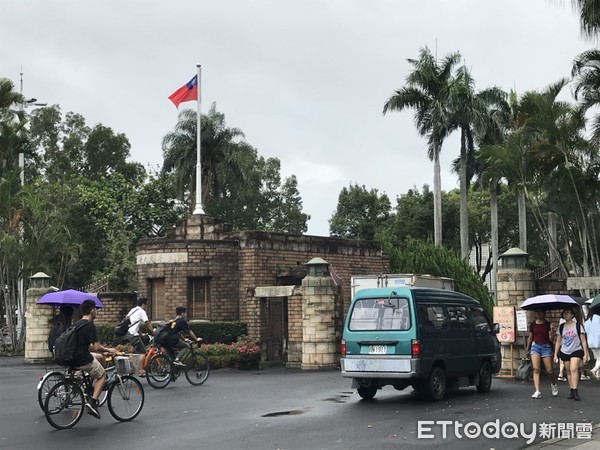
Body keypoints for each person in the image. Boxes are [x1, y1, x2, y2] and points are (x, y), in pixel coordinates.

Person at [71, 299, 117, 418]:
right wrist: (109, 350)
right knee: (102, 375)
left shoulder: (77, 324)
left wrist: (102, 351)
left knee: (97, 360)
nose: (96, 312)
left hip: (72, 357)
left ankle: (89, 388)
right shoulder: (89, 325)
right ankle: (93, 401)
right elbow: (96, 347)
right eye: (95, 310)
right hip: (82, 358)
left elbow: (90, 345)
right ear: (92, 311)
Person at [553, 308, 589, 401]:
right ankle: (572, 389)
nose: (566, 315)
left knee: (574, 369)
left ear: (572, 315)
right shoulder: (561, 327)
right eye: (564, 314)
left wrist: (586, 354)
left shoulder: (578, 326)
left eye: (568, 313)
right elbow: (558, 341)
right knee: (568, 370)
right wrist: (555, 354)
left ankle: (575, 390)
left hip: (576, 350)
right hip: (565, 351)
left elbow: (583, 341)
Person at [526, 309, 558, 399]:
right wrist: (528, 348)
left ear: (544, 313)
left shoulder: (548, 324)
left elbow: (551, 339)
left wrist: (551, 330)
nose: (539, 314)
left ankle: (553, 383)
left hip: (546, 347)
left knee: (549, 370)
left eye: (540, 312)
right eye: (537, 312)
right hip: (535, 346)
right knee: (536, 369)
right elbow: (531, 336)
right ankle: (537, 390)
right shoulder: (533, 324)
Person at [122, 298, 154, 376]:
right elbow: (147, 323)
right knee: (142, 351)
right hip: (132, 335)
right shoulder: (141, 311)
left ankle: (130, 369)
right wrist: (154, 332)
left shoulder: (133, 310)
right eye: (146, 304)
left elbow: (133, 324)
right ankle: (141, 370)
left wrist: (140, 334)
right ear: (143, 304)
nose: (146, 306)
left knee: (134, 352)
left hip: (126, 334)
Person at [584, 309, 600, 379]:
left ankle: (598, 374)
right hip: (598, 341)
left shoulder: (587, 322)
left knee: (598, 358)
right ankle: (595, 369)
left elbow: (586, 332)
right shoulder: (599, 318)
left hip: (591, 342)